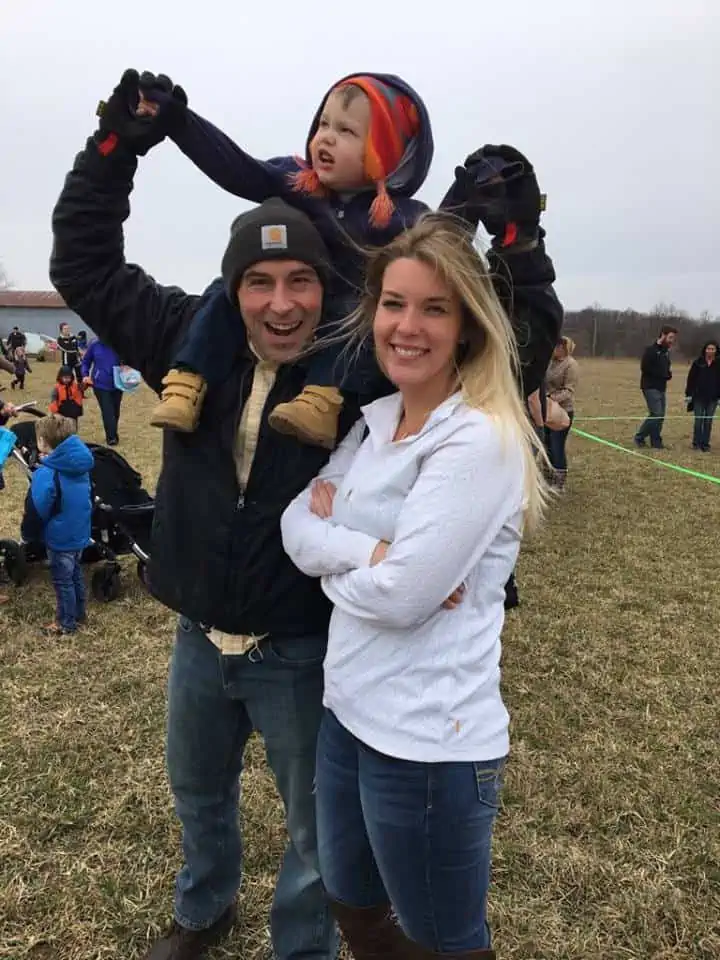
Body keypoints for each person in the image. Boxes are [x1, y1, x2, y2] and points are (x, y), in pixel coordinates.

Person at [51, 70, 560, 960]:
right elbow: (83, 263)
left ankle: (302, 948)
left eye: (300, 281)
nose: (280, 303)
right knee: (198, 799)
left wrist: (519, 239)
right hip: (198, 637)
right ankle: (202, 909)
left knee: (314, 834)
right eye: (257, 282)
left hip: (305, 646)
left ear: (330, 289)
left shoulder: (363, 367)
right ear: (231, 288)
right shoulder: (181, 334)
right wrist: (115, 151)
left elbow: (493, 331)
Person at [281, 214, 548, 960]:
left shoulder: (477, 438)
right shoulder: (375, 422)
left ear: (466, 325)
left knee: (444, 942)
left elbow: (401, 599)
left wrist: (364, 572)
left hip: (430, 744)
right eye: (394, 303)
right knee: (354, 907)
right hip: (347, 713)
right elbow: (294, 524)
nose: (407, 325)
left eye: (434, 308)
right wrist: (373, 551)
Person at [125, 69, 553, 448]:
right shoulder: (297, 182)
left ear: (386, 153)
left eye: (347, 132)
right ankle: (186, 381)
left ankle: (320, 402)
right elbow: (237, 169)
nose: (325, 137)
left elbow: (440, 243)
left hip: (347, 326)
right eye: (323, 124)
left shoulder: (401, 216)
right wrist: (179, 122)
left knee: (359, 315)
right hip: (291, 304)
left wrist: (472, 196)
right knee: (227, 289)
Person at [23, 415, 93, 634]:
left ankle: (66, 623)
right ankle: (80, 614)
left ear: (44, 441)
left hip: (59, 536)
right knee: (75, 575)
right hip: (79, 531)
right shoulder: (80, 465)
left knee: (63, 581)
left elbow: (38, 508)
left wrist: (30, 533)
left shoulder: (48, 473)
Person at [633, 325, 677, 450]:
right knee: (656, 414)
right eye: (670, 337)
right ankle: (639, 437)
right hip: (650, 386)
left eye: (673, 338)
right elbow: (645, 367)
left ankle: (656, 441)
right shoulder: (651, 350)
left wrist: (668, 374)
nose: (671, 341)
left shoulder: (666, 352)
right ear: (663, 335)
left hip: (661, 387)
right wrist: (662, 374)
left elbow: (666, 369)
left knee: (660, 415)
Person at [545, 336, 579, 487]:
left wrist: (551, 398)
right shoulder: (549, 362)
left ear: (565, 349)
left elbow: (569, 390)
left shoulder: (571, 365)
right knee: (547, 444)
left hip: (563, 410)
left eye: (558, 347)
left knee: (557, 444)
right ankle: (548, 474)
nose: (555, 349)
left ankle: (559, 481)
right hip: (546, 409)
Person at [81, 338, 123, 445]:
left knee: (115, 411)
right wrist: (85, 375)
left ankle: (113, 432)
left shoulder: (120, 344)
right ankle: (111, 438)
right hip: (100, 384)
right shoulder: (95, 345)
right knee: (107, 411)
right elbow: (85, 362)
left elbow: (130, 360)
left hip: (118, 384)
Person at [685, 340, 720, 451]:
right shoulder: (698, 362)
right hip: (698, 396)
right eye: (708, 348)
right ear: (705, 350)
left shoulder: (718, 363)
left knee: (708, 421)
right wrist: (688, 394)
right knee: (698, 420)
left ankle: (705, 444)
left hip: (713, 397)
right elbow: (691, 379)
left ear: (716, 350)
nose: (710, 351)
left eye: (712, 349)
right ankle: (696, 443)